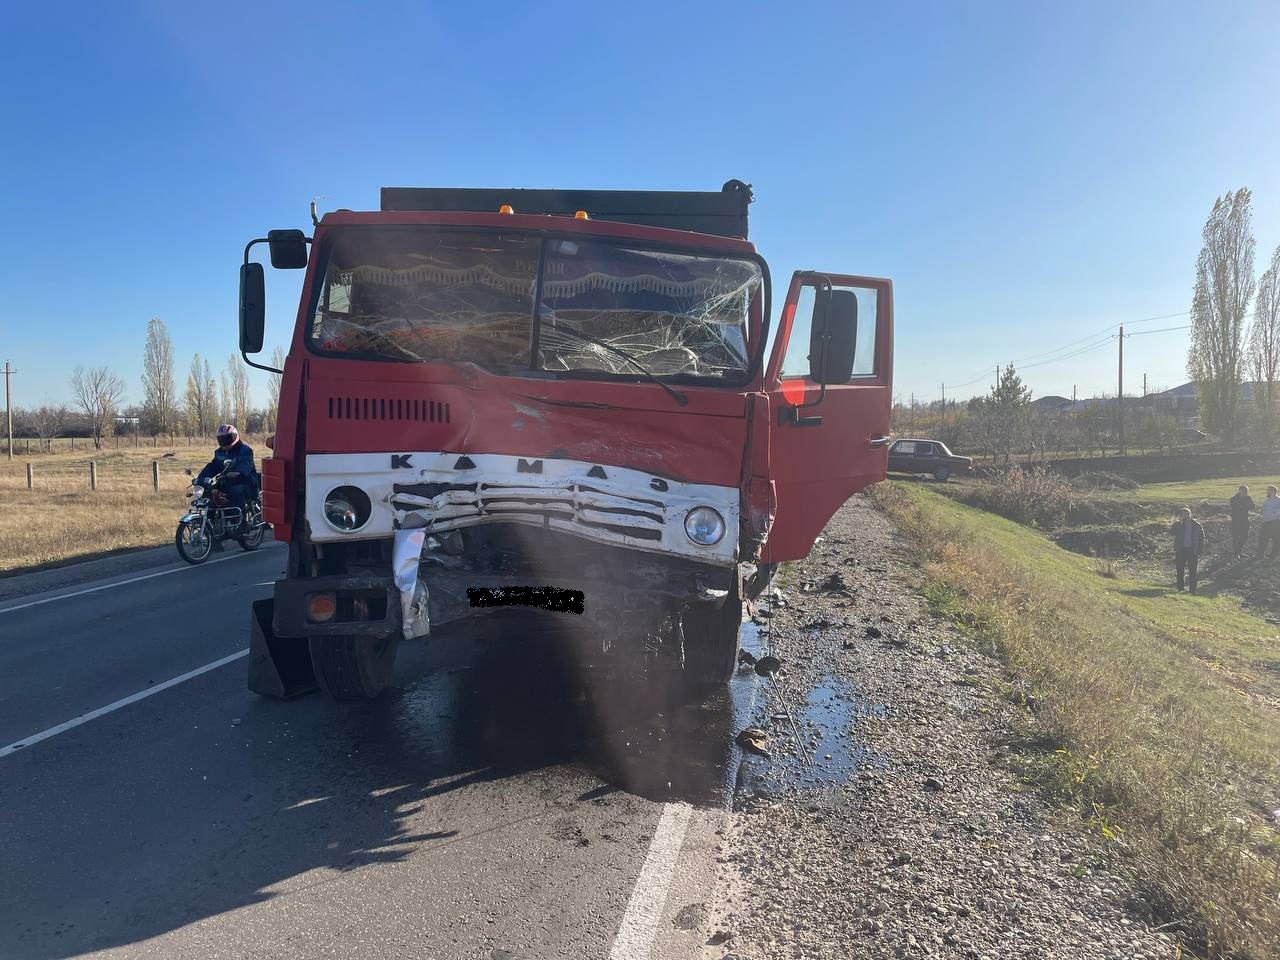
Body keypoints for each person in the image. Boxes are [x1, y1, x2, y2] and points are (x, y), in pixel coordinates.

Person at [195, 424, 259, 531]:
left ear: (235, 437)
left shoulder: (244, 450)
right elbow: (213, 466)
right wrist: (201, 478)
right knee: (208, 493)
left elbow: (246, 465)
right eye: (221, 439)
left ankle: (241, 524)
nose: (224, 442)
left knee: (235, 492)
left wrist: (238, 472)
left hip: (246, 482)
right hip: (225, 481)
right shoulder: (219, 453)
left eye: (227, 439)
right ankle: (211, 528)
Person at [1170, 507, 1204, 594]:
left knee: (1193, 571)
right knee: (1180, 570)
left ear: (1190, 514)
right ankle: (1180, 588)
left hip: (1192, 551)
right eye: (1182, 514)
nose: (1184, 516)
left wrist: (1199, 550)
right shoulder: (1178, 525)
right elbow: (1172, 532)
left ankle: (1193, 590)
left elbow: (1201, 538)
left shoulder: (1197, 525)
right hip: (1181, 550)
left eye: (1186, 514)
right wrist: (1177, 523)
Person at [1229, 485, 1255, 559]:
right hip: (1236, 521)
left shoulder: (1248, 498)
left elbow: (1253, 507)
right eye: (1243, 491)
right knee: (1236, 537)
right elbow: (1236, 508)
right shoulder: (1233, 499)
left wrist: (1245, 505)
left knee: (1245, 536)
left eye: (1246, 491)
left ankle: (1239, 551)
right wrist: (1245, 505)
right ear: (1239, 490)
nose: (1244, 492)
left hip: (1244, 520)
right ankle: (1237, 553)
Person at [1260, 485, 1280, 562]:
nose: (1267, 492)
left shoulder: (1278, 500)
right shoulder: (1267, 500)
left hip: (1275, 522)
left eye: (1268, 490)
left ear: (1273, 491)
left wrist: (1272, 516)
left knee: (1275, 539)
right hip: (1266, 521)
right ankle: (1261, 554)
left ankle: (1273, 555)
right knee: (1263, 538)